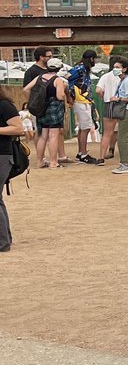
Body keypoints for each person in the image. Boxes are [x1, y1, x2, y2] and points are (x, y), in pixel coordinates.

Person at [24, 56, 69, 169]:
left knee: (43, 135)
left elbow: (26, 89)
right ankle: (53, 162)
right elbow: (60, 96)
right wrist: (64, 89)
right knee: (53, 135)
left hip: (41, 108)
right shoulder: (58, 80)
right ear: (59, 68)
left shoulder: (40, 77)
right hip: (54, 108)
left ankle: (40, 161)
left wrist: (33, 99)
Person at [67, 49, 99, 164]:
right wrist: (71, 94)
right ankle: (84, 154)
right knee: (85, 128)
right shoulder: (79, 69)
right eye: (95, 58)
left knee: (83, 127)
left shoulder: (84, 69)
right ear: (91, 59)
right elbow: (66, 78)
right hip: (81, 100)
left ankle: (81, 152)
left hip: (84, 100)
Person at [0, 88, 23, 251]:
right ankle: (4, 240)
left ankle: (3, 242)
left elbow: (18, 128)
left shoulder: (4, 105)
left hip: (2, 155)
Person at [95, 59, 123, 163]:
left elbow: (98, 90)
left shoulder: (105, 76)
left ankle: (101, 156)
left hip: (109, 103)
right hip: (122, 103)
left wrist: (103, 96)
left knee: (107, 133)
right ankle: (124, 155)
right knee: (124, 131)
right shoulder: (125, 77)